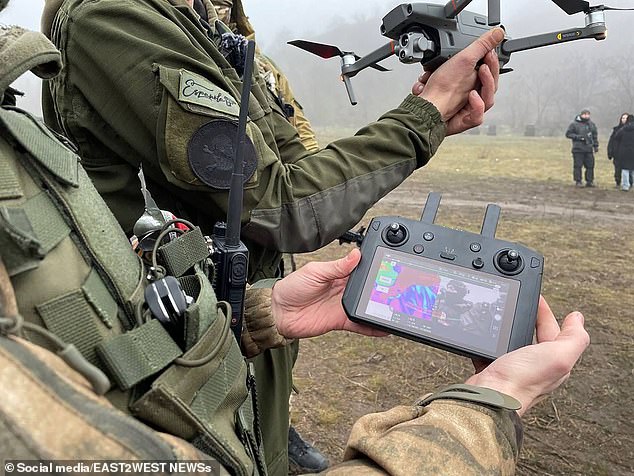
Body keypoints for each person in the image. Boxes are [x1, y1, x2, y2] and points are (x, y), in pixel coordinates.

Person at [40, 0, 502, 472]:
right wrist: (419, 119)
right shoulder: (113, 19)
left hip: (243, 324)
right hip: (175, 358)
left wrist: (431, 116)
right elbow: (286, 207)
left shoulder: (194, 22)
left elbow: (300, 171)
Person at [211, 1, 324, 470]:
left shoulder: (262, 65)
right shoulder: (178, 45)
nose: (216, 7)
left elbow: (297, 131)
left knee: (277, 341)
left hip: (267, 243)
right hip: (213, 231)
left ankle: (278, 428)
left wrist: (315, 186)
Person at [566, 109, 599, 188]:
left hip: (589, 149)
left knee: (590, 166)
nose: (586, 116)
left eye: (587, 114)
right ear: (581, 115)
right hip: (578, 149)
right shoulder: (574, 124)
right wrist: (578, 137)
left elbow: (595, 136)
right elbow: (568, 134)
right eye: (584, 114)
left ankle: (589, 181)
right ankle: (578, 181)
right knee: (578, 166)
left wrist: (596, 145)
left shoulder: (591, 124)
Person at [611, 114, 634, 191]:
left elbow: (616, 137)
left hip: (624, 152)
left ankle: (625, 186)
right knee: (632, 169)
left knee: (625, 169)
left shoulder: (623, 129)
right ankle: (632, 184)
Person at [607, 113, 629, 188]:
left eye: (626, 118)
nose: (624, 120)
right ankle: (618, 182)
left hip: (628, 153)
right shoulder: (616, 129)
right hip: (617, 153)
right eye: (623, 118)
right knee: (617, 169)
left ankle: (628, 183)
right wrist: (610, 152)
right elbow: (611, 141)